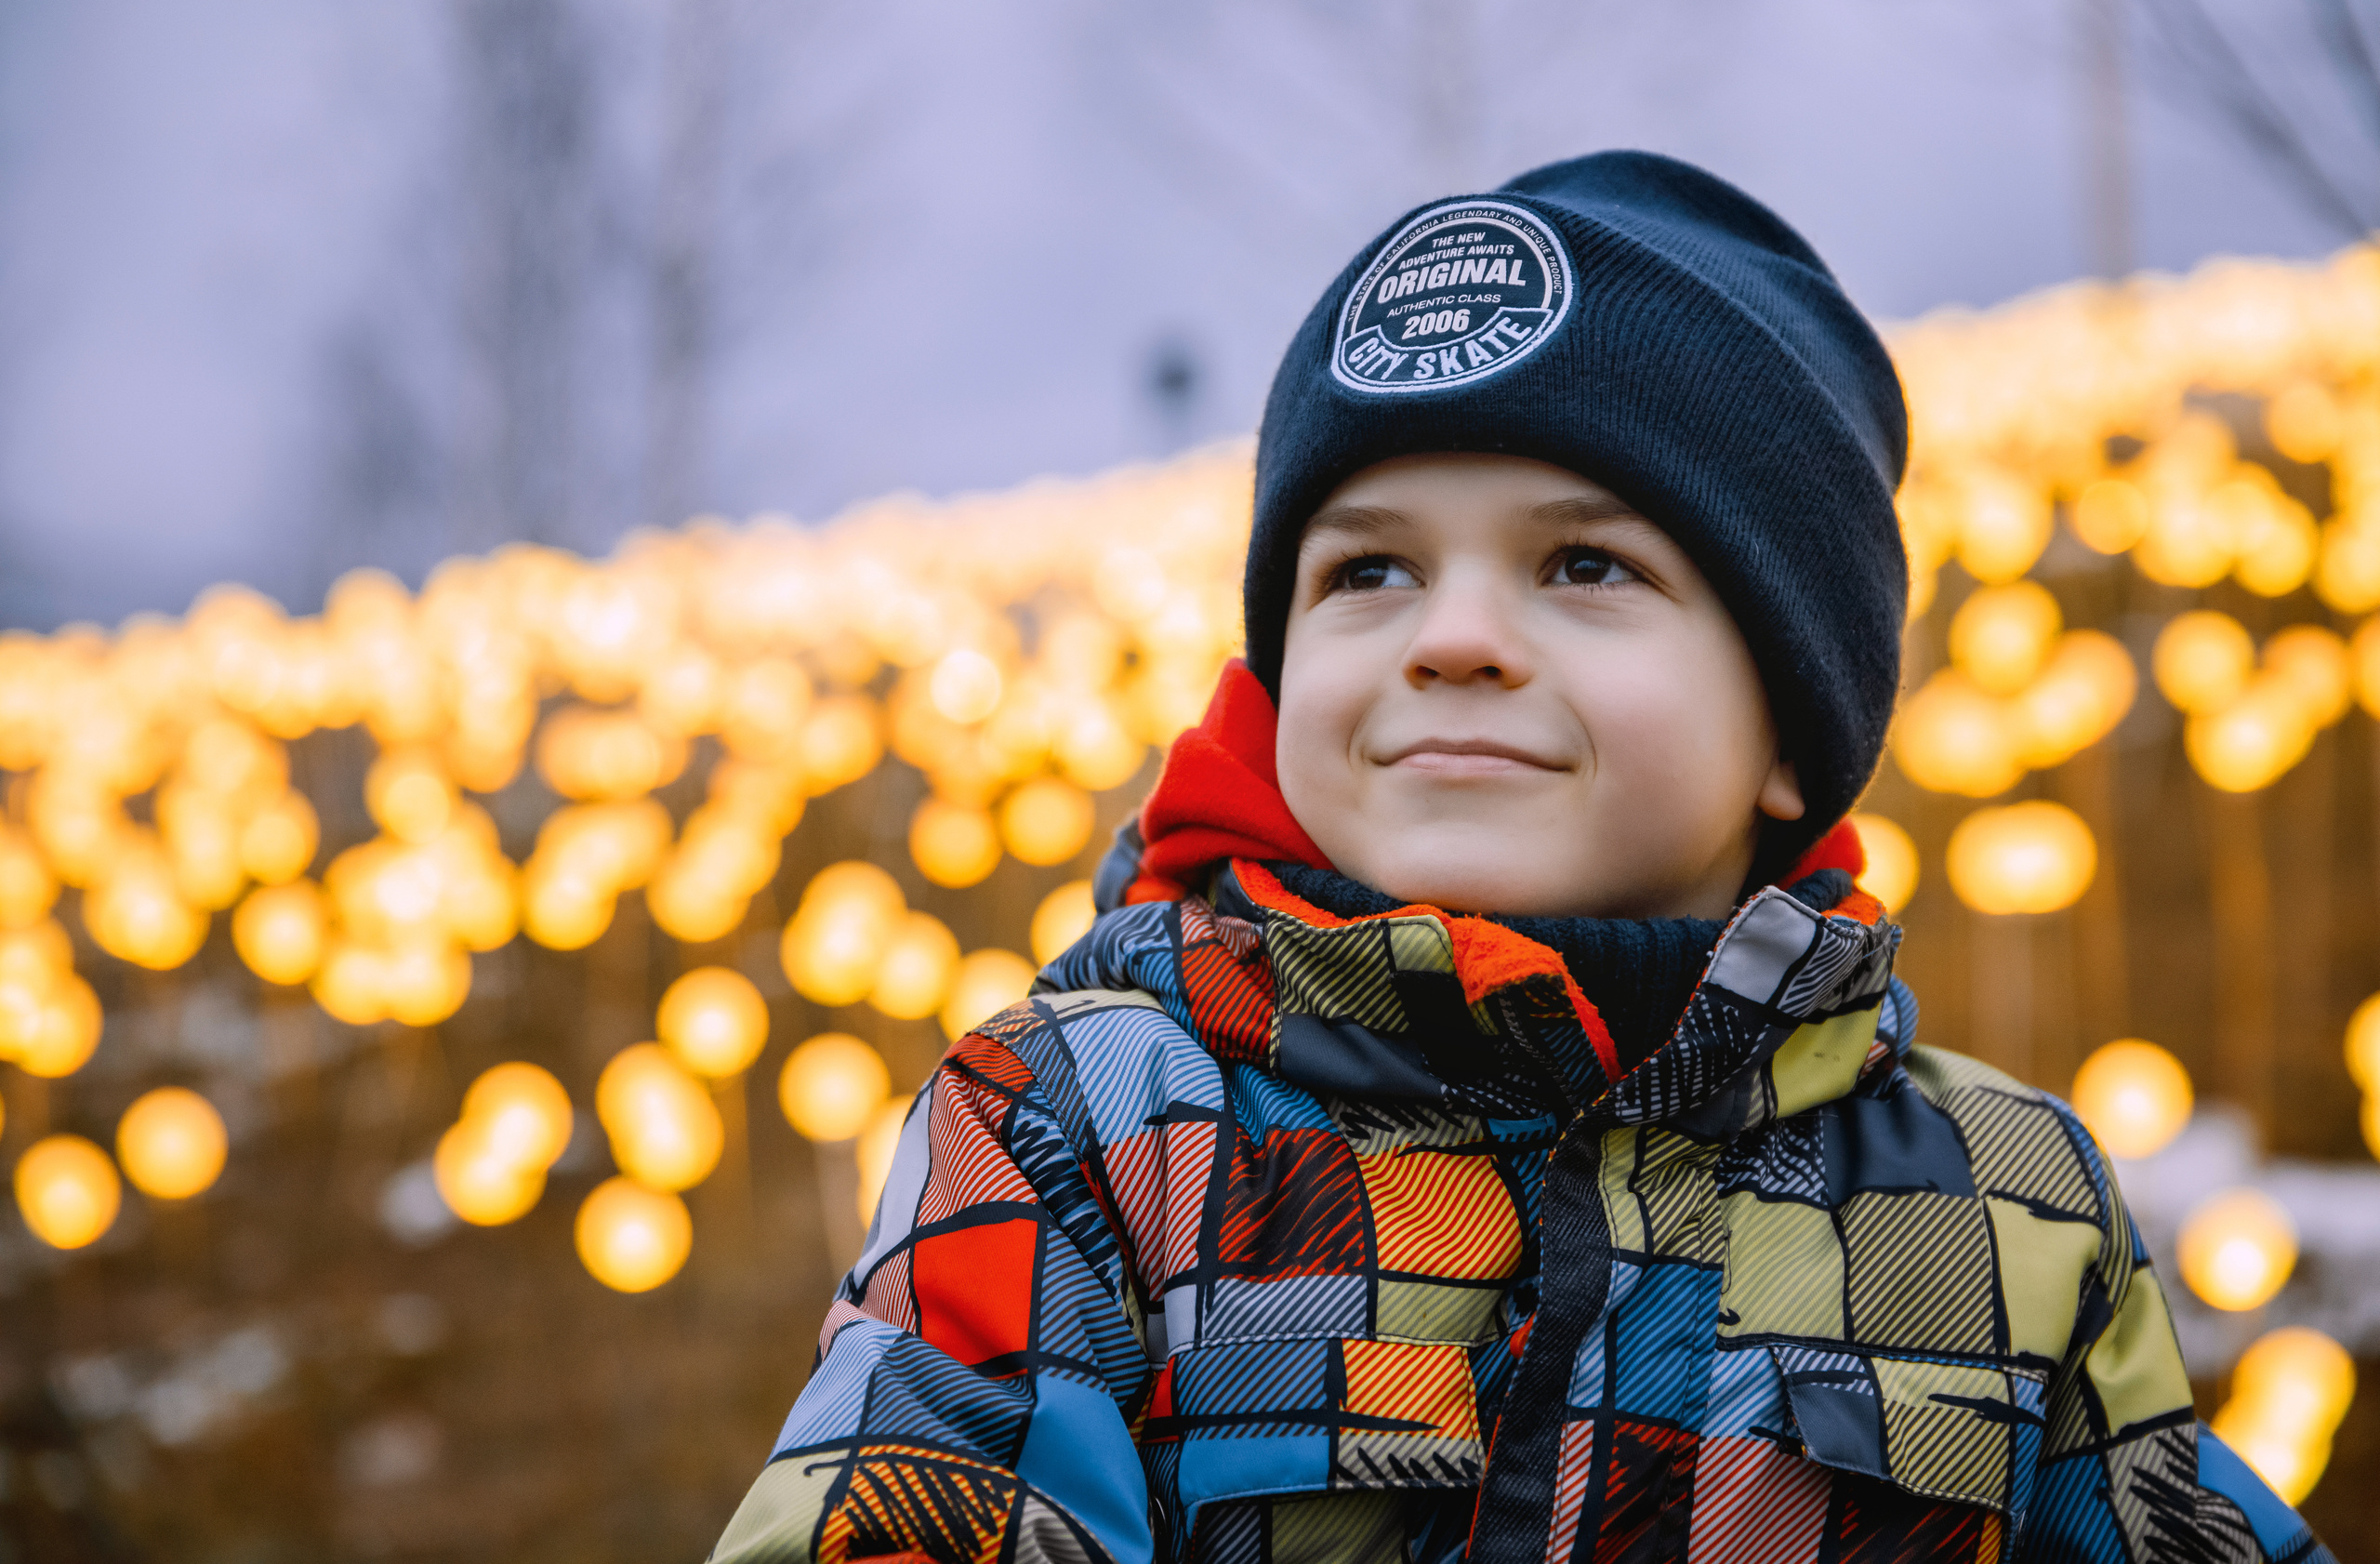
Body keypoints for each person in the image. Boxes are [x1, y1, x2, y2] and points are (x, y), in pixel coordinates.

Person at [712, 153, 2333, 1563]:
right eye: (1369, 572)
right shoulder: (1087, 1124)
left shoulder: (2005, 1209)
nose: (1454, 636)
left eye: (1583, 565)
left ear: (1789, 730)